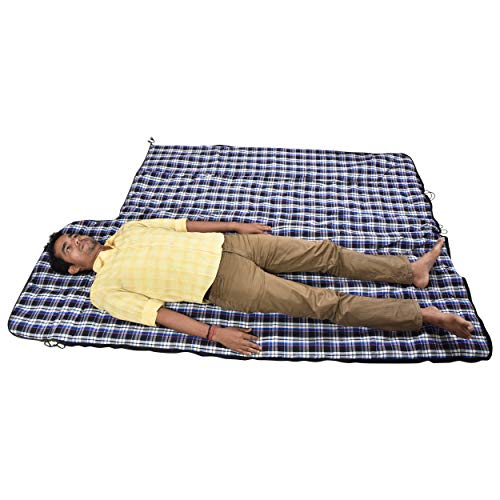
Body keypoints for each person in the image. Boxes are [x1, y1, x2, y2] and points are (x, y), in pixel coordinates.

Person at [45, 218, 475, 356]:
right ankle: (420, 315)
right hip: (224, 282)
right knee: (321, 302)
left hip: (233, 244)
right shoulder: (103, 290)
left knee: (325, 254)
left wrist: (237, 226)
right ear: (74, 269)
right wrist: (214, 333)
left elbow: (183, 225)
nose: (78, 241)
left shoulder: (129, 230)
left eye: (75, 236)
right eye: (69, 248)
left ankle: (409, 272)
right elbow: (157, 314)